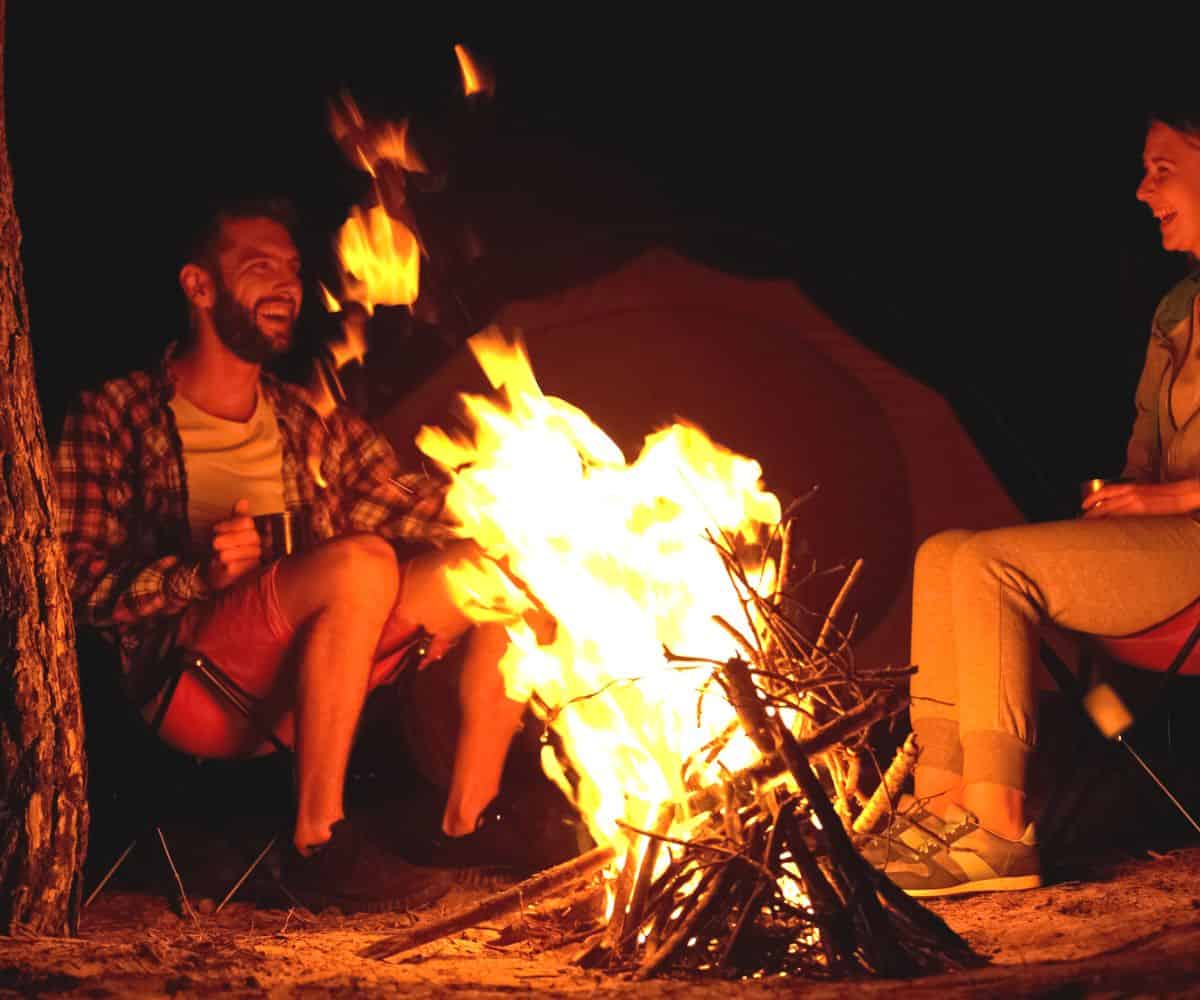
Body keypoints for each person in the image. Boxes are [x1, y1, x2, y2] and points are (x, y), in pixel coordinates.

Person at [54, 196, 531, 912]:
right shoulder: (116, 413)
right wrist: (195, 575)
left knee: (506, 565)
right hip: (190, 687)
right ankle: (320, 842)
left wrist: (536, 509)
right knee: (363, 562)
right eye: (259, 267)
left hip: (303, 682)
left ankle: (464, 824)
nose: (285, 285)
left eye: (292, 270)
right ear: (199, 286)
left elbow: (416, 505)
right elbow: (71, 584)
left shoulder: (309, 422)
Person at [867, 113, 1200, 897]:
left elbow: (1167, 485)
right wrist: (1121, 505)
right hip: (1170, 543)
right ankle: (939, 810)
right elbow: (1143, 452)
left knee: (990, 566)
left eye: (1163, 166)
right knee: (944, 553)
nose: (1143, 187)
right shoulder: (1177, 309)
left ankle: (998, 828)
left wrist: (1170, 496)